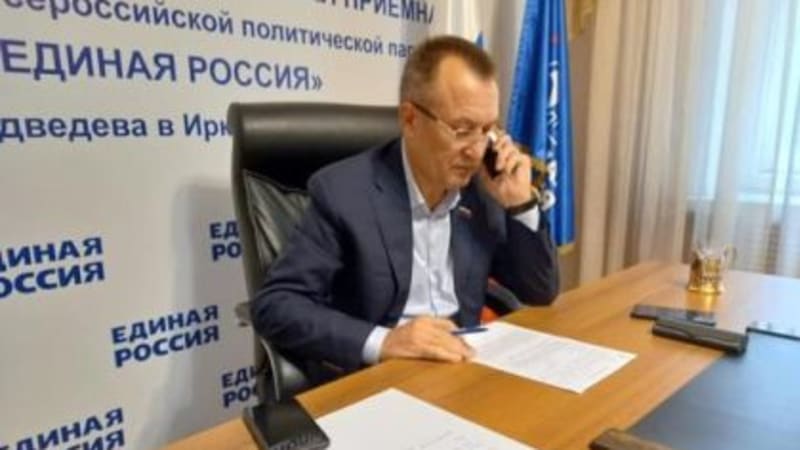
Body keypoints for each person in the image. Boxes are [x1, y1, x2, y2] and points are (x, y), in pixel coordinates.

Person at [251, 35, 559, 382]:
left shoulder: (483, 188)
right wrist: (384, 341)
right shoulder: (343, 192)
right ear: (410, 119)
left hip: (462, 366)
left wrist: (519, 203)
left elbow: (540, 290)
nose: (476, 151)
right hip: (380, 375)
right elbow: (276, 304)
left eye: (487, 130)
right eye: (462, 130)